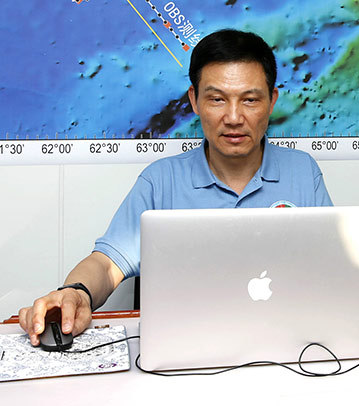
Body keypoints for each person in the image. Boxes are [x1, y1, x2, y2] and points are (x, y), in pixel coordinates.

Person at [19, 29, 332, 345]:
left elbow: (332, 265)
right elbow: (106, 263)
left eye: (250, 100)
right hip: (184, 348)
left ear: (272, 101)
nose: (234, 117)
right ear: (194, 100)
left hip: (284, 343)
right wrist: (76, 293)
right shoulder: (160, 181)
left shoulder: (303, 172)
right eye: (217, 99)